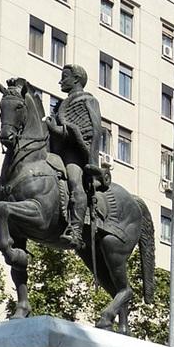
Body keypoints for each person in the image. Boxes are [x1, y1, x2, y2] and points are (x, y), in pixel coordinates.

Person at [46, 64, 104, 249]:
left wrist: (59, 130)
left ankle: (76, 230)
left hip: (75, 153)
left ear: (76, 79)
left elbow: (92, 129)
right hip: (56, 152)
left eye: (64, 77)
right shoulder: (61, 105)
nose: (60, 81)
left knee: (74, 181)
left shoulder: (88, 100)